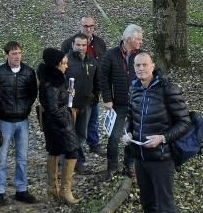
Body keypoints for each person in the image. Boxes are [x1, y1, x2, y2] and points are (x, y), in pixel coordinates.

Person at [121, 52, 191, 213]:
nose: (141, 69)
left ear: (152, 66)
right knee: (148, 204)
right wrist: (127, 132)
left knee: (165, 207)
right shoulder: (134, 88)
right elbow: (131, 117)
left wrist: (163, 138)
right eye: (137, 65)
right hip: (141, 157)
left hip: (161, 158)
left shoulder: (167, 88)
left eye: (144, 65)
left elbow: (184, 122)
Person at [0, 41, 40, 207]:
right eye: (13, 53)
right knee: (1, 158)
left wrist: (25, 108)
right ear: (6, 55)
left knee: (22, 158)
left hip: (22, 120)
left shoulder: (29, 72)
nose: (17, 56)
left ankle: (21, 189)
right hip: (4, 120)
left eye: (19, 53)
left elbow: (33, 93)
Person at [98, 24, 144, 177]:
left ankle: (128, 165)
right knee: (114, 136)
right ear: (129, 39)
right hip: (117, 104)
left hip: (137, 104)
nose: (141, 42)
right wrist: (107, 98)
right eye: (138, 39)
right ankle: (112, 167)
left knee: (133, 135)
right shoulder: (111, 55)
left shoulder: (141, 56)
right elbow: (102, 77)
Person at [37, 48, 81, 204]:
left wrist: (67, 95)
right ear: (56, 64)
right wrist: (66, 124)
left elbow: (56, 101)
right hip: (59, 123)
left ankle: (53, 188)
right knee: (73, 151)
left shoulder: (55, 79)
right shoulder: (51, 83)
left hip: (55, 123)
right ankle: (64, 190)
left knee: (54, 150)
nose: (66, 66)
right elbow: (52, 107)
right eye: (64, 63)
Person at [61, 16, 108, 157]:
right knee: (70, 131)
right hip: (71, 100)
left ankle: (92, 145)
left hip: (90, 95)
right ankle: (71, 159)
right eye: (86, 26)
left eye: (91, 26)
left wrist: (98, 93)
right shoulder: (67, 46)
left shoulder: (99, 45)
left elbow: (101, 71)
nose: (88, 28)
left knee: (89, 124)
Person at [65, 34, 100, 174]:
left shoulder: (92, 61)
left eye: (83, 45)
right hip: (68, 106)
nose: (81, 48)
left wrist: (95, 97)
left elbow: (97, 82)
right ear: (73, 44)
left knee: (81, 135)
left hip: (86, 105)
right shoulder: (65, 60)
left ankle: (76, 161)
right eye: (78, 45)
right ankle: (69, 162)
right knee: (68, 134)